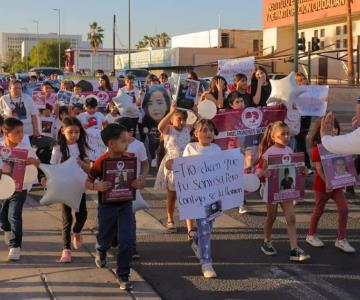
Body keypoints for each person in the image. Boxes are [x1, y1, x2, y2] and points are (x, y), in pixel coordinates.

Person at [85, 123, 142, 291]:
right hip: (107, 206)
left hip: (125, 204)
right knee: (105, 236)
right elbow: (87, 182)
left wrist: (137, 183)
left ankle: (123, 274)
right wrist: (97, 187)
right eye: (123, 141)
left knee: (127, 240)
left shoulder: (129, 158)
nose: (127, 144)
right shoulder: (101, 161)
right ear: (110, 144)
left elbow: (136, 181)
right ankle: (101, 249)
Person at [257, 121, 310, 262]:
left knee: (291, 218)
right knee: (271, 217)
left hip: (287, 190)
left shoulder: (289, 150)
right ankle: (266, 241)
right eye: (283, 134)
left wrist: (303, 171)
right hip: (272, 191)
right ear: (274, 137)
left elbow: (296, 169)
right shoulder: (269, 153)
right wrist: (264, 173)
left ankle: (294, 249)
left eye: (288, 134)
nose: (286, 137)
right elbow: (258, 170)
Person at [306, 118, 355, 253]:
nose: (333, 130)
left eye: (335, 127)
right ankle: (311, 234)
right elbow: (319, 168)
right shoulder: (317, 148)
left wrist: (346, 178)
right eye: (329, 127)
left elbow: (346, 164)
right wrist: (328, 182)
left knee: (344, 209)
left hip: (336, 186)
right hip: (322, 186)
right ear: (321, 130)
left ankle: (341, 239)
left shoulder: (340, 146)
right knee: (318, 210)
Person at [49, 117, 92, 262]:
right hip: (64, 188)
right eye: (70, 132)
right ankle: (66, 249)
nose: (74, 135)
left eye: (77, 132)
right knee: (67, 218)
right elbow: (52, 167)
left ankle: (77, 231)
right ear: (62, 131)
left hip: (79, 187)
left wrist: (82, 163)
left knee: (82, 215)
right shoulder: (58, 148)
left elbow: (90, 168)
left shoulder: (82, 146)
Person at [182, 119, 221, 278]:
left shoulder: (217, 148)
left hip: (214, 195)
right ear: (196, 133)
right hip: (197, 196)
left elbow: (223, 170)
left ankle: (196, 241)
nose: (208, 133)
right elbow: (184, 169)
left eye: (211, 130)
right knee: (205, 228)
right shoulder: (190, 148)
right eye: (204, 130)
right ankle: (206, 263)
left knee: (207, 227)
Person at [0, 118, 40, 261]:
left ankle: (15, 246)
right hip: (3, 188)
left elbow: (37, 162)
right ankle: (7, 229)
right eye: (17, 132)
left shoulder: (25, 147)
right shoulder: (0, 147)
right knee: (3, 215)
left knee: (14, 215)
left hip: (20, 187)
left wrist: (32, 162)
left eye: (22, 132)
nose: (21, 135)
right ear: (6, 133)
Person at [154, 103, 193, 235]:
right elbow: (159, 126)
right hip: (172, 164)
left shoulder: (188, 128)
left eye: (183, 119)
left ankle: (190, 224)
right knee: (172, 195)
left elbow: (198, 118)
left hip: (186, 164)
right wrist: (171, 112)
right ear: (172, 119)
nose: (181, 122)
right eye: (178, 119)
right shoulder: (168, 129)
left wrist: (198, 106)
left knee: (187, 195)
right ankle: (170, 219)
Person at [116, 117, 149, 259]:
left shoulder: (139, 146)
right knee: (116, 216)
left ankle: (132, 247)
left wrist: (141, 178)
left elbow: (145, 164)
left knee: (130, 217)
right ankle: (118, 242)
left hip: (132, 187)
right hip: (116, 187)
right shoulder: (113, 144)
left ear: (131, 132)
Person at [142, 85, 171, 167]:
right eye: (151, 103)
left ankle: (161, 157)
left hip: (163, 132)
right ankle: (154, 157)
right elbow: (145, 121)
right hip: (152, 130)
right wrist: (145, 129)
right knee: (152, 143)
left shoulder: (167, 113)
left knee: (163, 144)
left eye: (160, 102)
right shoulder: (148, 115)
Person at [294, 72, 312, 171]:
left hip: (306, 121)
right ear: (297, 83)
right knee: (299, 143)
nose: (304, 81)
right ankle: (305, 166)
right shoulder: (294, 92)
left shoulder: (311, 91)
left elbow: (318, 103)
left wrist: (324, 101)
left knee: (300, 143)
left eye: (304, 78)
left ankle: (304, 166)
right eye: (300, 80)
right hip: (296, 120)